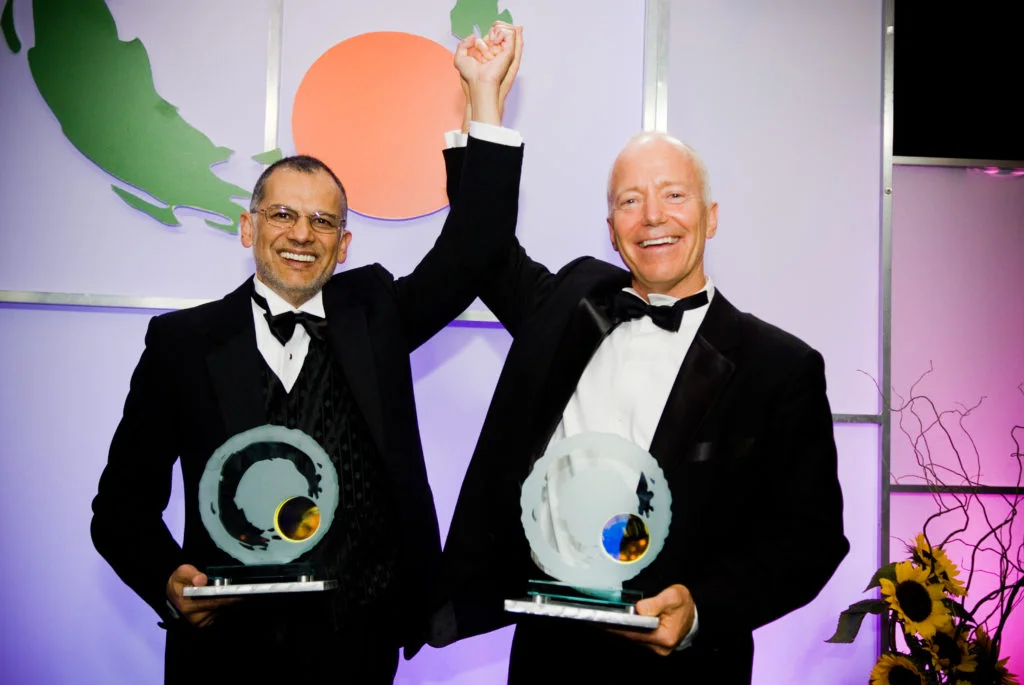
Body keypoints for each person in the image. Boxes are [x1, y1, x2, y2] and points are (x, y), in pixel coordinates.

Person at [90, 23, 523, 684]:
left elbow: (475, 248)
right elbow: (119, 507)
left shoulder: (374, 317)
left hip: (359, 649)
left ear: (344, 245)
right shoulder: (181, 345)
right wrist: (167, 577)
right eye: (283, 215)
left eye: (323, 221)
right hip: (223, 656)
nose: (302, 234)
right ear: (249, 225)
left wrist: (484, 99)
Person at [431, 125, 850, 682]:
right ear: (611, 230)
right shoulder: (566, 311)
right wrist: (483, 101)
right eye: (631, 201)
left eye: (673, 194)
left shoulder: (780, 367)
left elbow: (809, 540)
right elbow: (483, 248)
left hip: (685, 670)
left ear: (712, 215)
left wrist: (701, 607)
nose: (652, 216)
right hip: (546, 655)